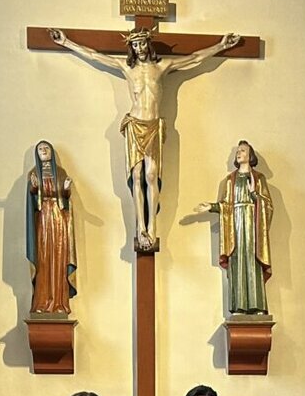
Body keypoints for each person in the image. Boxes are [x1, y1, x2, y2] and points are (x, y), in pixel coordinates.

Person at [49, 26, 240, 250]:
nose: (139, 48)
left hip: (154, 125)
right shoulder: (127, 68)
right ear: (131, 47)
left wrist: (222, 45)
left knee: (151, 175)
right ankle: (141, 226)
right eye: (135, 45)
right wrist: (66, 43)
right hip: (135, 124)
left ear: (148, 44)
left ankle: (152, 226)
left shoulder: (161, 67)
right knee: (137, 176)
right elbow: (95, 56)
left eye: (141, 43)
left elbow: (194, 58)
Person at [195, 140, 273, 314]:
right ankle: (239, 306)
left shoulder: (259, 178)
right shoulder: (231, 180)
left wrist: (254, 194)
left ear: (250, 155)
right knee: (237, 261)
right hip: (236, 225)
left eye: (243, 151)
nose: (239, 153)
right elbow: (227, 205)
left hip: (253, 225)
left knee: (253, 260)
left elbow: (267, 205)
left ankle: (258, 305)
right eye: (238, 151)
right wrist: (212, 207)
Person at [26, 140, 77, 314]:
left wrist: (67, 189)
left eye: (46, 148)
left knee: (58, 260)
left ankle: (59, 304)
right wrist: (33, 187)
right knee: (44, 260)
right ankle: (41, 303)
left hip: (58, 218)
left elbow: (65, 196)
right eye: (40, 149)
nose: (43, 151)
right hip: (42, 219)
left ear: (51, 152)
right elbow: (32, 198)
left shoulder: (61, 172)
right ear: (37, 154)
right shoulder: (34, 173)